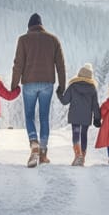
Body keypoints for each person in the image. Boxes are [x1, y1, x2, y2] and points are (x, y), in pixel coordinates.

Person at [11, 13, 66, 168]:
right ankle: (43, 153)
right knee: (44, 117)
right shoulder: (53, 40)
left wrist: (14, 85)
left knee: (29, 116)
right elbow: (61, 66)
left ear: (29, 27)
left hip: (28, 83)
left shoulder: (23, 40)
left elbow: (18, 64)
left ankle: (33, 142)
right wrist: (62, 87)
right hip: (47, 83)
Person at [58, 63, 101, 167]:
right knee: (84, 135)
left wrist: (59, 93)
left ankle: (78, 155)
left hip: (75, 116)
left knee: (76, 134)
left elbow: (65, 101)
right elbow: (95, 105)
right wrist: (97, 118)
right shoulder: (92, 88)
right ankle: (83, 157)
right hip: (86, 117)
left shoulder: (73, 86)